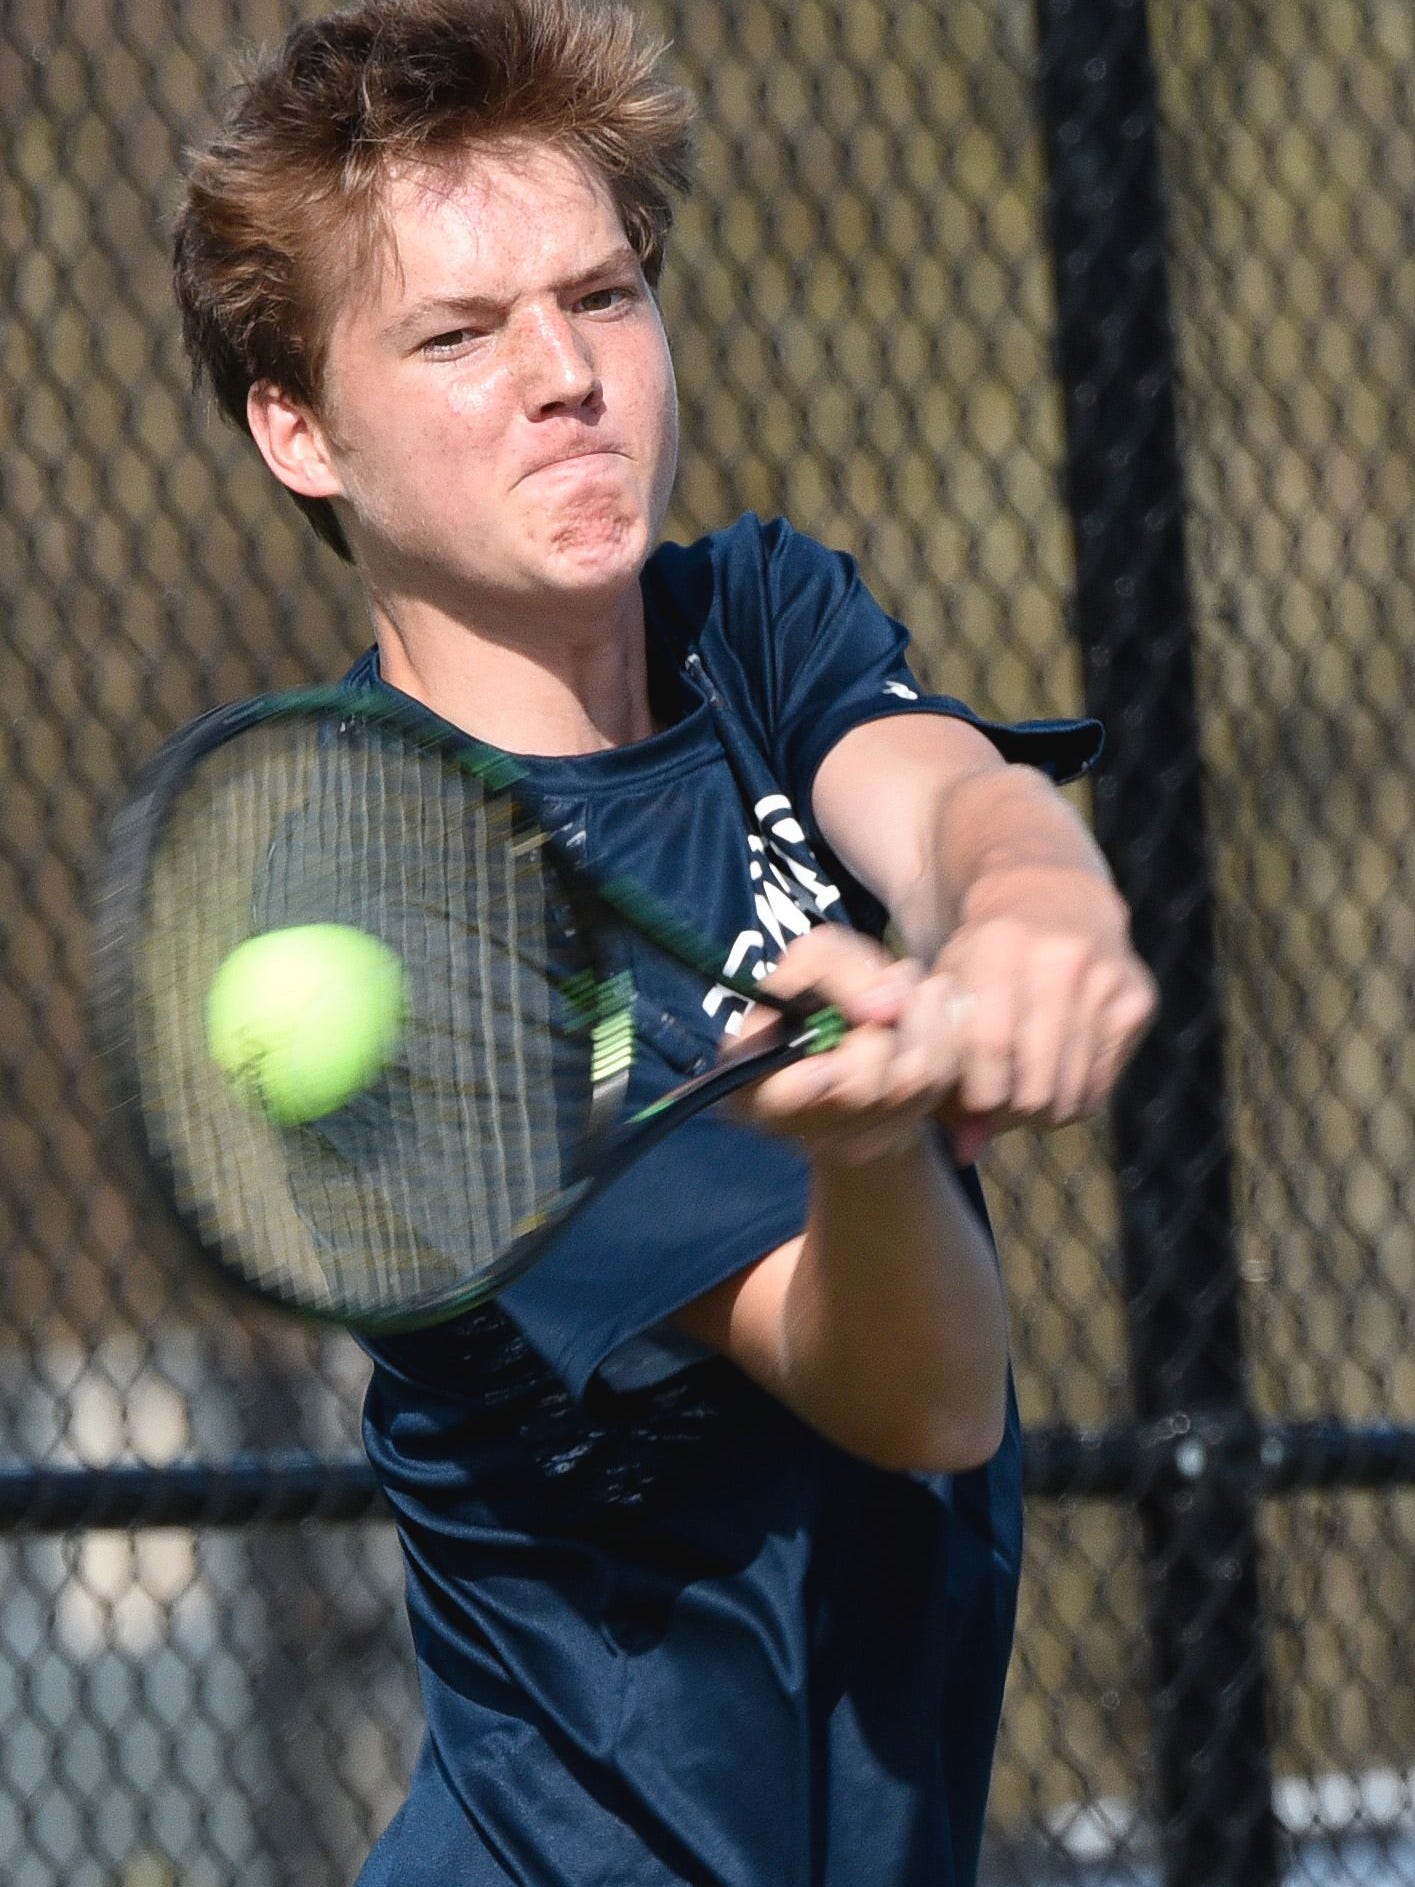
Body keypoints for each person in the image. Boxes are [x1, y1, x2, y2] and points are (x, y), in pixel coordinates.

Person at [173, 2, 1157, 1881]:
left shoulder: (750, 619)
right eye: (459, 335)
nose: (566, 374)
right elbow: (915, 1392)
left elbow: (949, 803)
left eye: (602, 296)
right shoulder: (370, 923)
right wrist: (870, 1153)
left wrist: (1034, 917)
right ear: (299, 430)